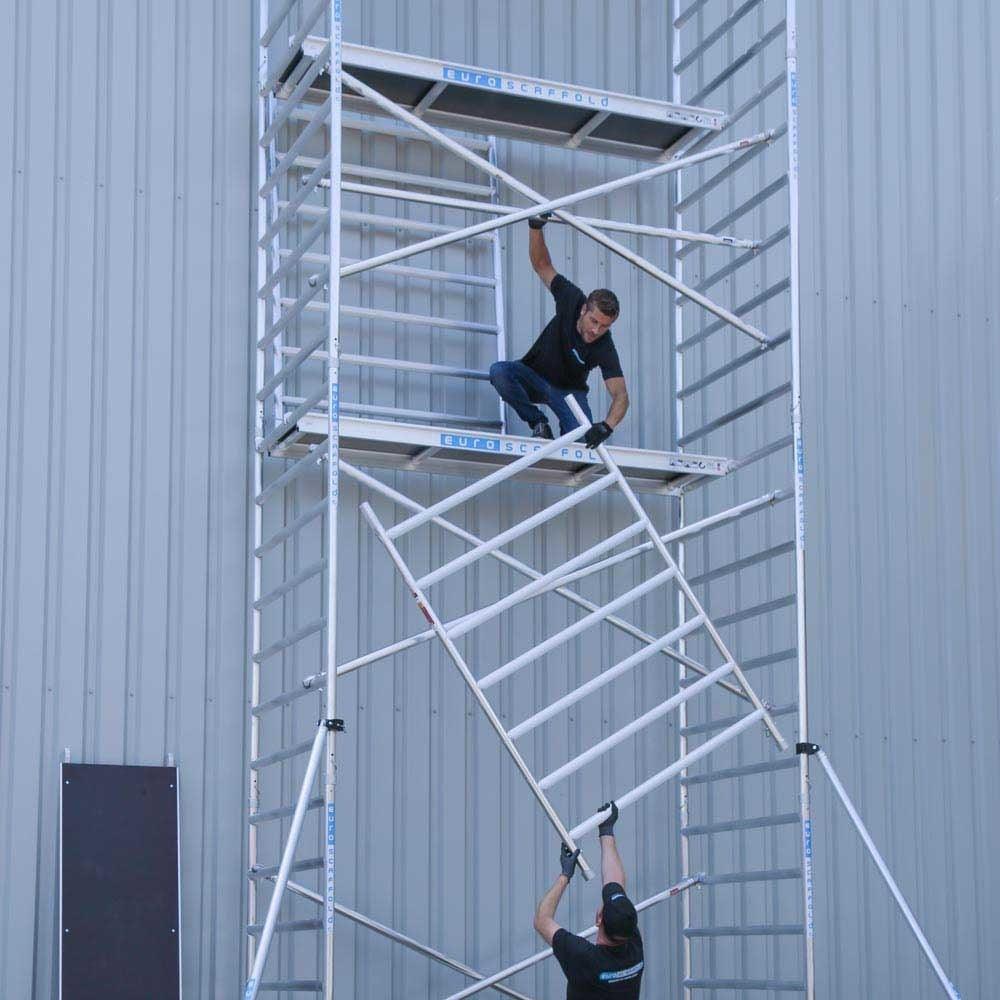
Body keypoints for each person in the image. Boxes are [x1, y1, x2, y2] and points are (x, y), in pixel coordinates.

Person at [489, 213, 630, 447]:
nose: (596, 330)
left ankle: (570, 437)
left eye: (605, 326)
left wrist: (607, 426)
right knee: (499, 372)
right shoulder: (571, 298)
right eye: (594, 321)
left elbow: (620, 394)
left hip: (569, 393)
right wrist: (535, 227)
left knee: (581, 442)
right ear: (584, 310)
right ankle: (539, 423)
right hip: (533, 376)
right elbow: (542, 265)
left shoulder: (604, 346)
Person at [533, 802, 644, 998]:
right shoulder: (632, 945)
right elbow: (614, 882)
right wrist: (606, 832)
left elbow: (542, 921)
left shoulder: (585, 959)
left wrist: (565, 875)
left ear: (599, 918)